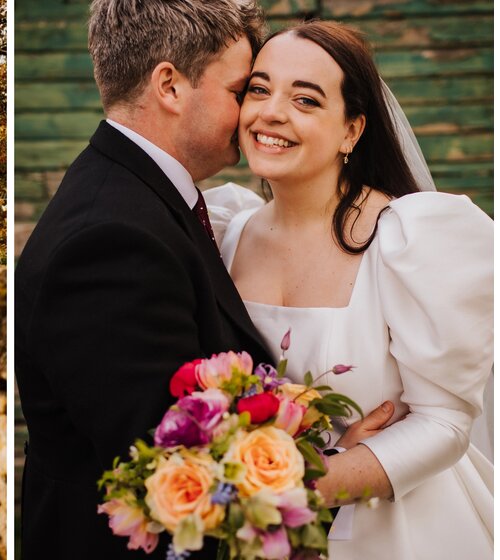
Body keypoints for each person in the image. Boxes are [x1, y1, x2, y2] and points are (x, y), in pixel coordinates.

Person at [208, 20, 493, 559]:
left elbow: (445, 423)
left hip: (399, 530)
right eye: (259, 89)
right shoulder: (224, 230)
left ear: (352, 130)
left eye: (306, 100)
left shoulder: (410, 241)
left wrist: (294, 494)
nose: (271, 112)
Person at [15, 1, 278, 557]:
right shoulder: (110, 242)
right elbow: (170, 471)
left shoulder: (141, 198)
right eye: (240, 91)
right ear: (170, 86)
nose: (254, 113)